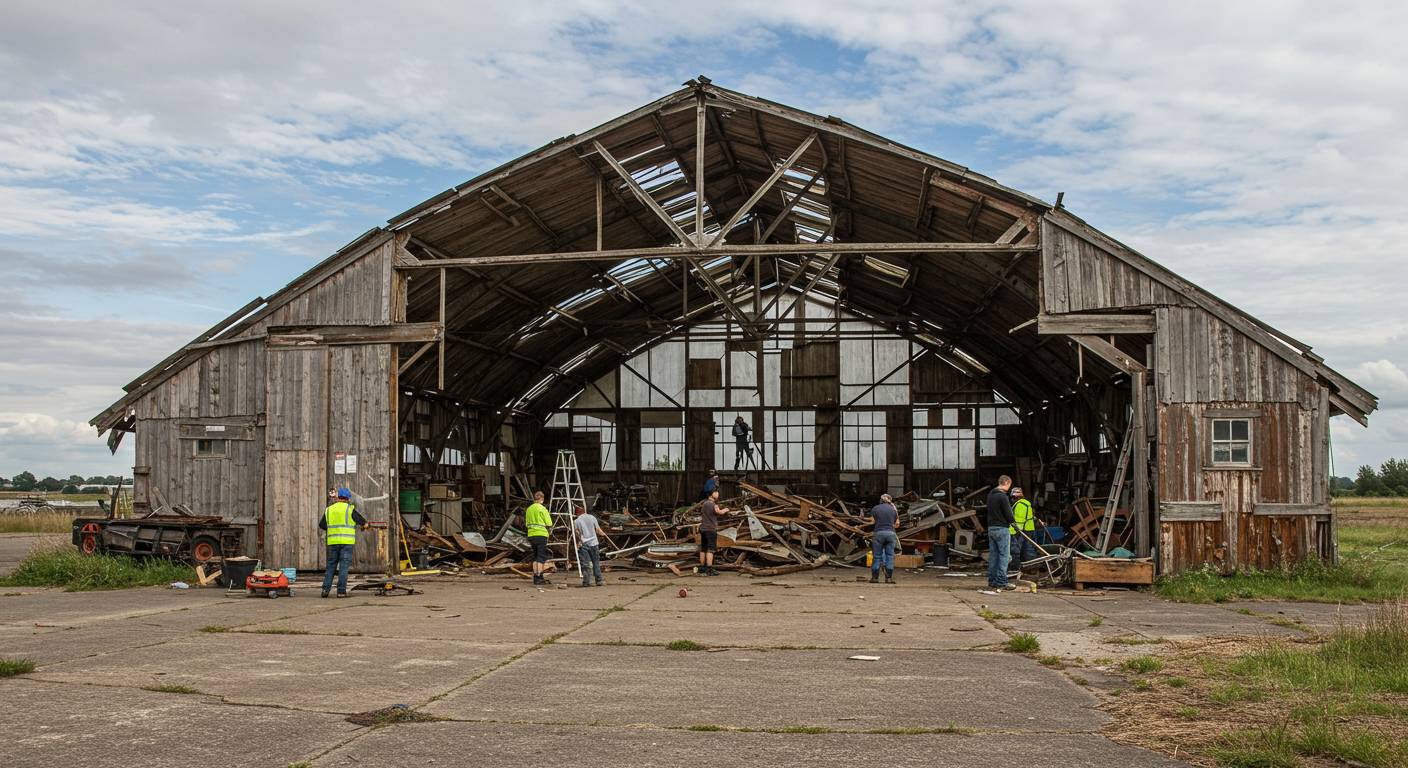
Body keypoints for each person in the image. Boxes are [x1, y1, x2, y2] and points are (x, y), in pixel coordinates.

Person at [320, 487, 368, 598]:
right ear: (347, 498)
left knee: (331, 566)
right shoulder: (349, 509)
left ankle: (325, 590)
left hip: (332, 542)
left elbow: (322, 525)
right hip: (346, 542)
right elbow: (364, 523)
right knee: (343, 567)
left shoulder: (329, 509)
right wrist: (365, 526)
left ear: (338, 497)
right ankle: (341, 592)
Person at [985, 476, 1016, 591]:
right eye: (1009, 485)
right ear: (1007, 483)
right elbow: (1008, 514)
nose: (1009, 487)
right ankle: (1001, 582)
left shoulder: (990, 495)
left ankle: (992, 581)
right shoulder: (1003, 497)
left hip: (991, 528)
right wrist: (1013, 522)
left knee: (994, 556)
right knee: (1004, 556)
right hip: (1002, 529)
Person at [868, 493, 899, 584]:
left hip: (879, 533)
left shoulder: (876, 508)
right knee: (890, 556)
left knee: (877, 556)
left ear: (881, 500)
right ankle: (888, 578)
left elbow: (872, 521)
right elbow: (896, 524)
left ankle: (875, 578)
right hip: (891, 533)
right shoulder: (893, 510)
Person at [573, 505, 608, 587]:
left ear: (577, 512)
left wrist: (578, 542)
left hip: (583, 544)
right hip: (594, 543)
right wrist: (604, 534)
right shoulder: (592, 517)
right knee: (596, 562)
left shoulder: (576, 521)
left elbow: (577, 534)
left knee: (585, 564)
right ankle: (599, 580)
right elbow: (598, 530)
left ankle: (586, 582)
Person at [697, 489, 730, 576]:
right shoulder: (712, 504)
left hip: (703, 529)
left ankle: (701, 567)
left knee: (703, 548)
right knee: (710, 549)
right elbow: (719, 512)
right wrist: (726, 509)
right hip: (710, 529)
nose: (718, 494)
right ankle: (709, 569)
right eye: (716, 493)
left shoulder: (704, 504)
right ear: (712, 495)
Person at [524, 491, 553, 585]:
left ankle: (535, 577)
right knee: (541, 557)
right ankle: (539, 577)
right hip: (541, 535)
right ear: (542, 499)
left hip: (531, 535)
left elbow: (526, 524)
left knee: (535, 556)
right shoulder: (542, 509)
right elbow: (549, 523)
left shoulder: (529, 509)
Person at [1008, 486, 1037, 572]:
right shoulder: (1025, 503)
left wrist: (1016, 532)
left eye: (1012, 498)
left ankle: (1015, 569)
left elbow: (1019, 521)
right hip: (1027, 529)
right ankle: (1031, 568)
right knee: (1028, 549)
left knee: (1015, 550)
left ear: (1014, 497)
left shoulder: (1020, 505)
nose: (1011, 500)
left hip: (1021, 531)